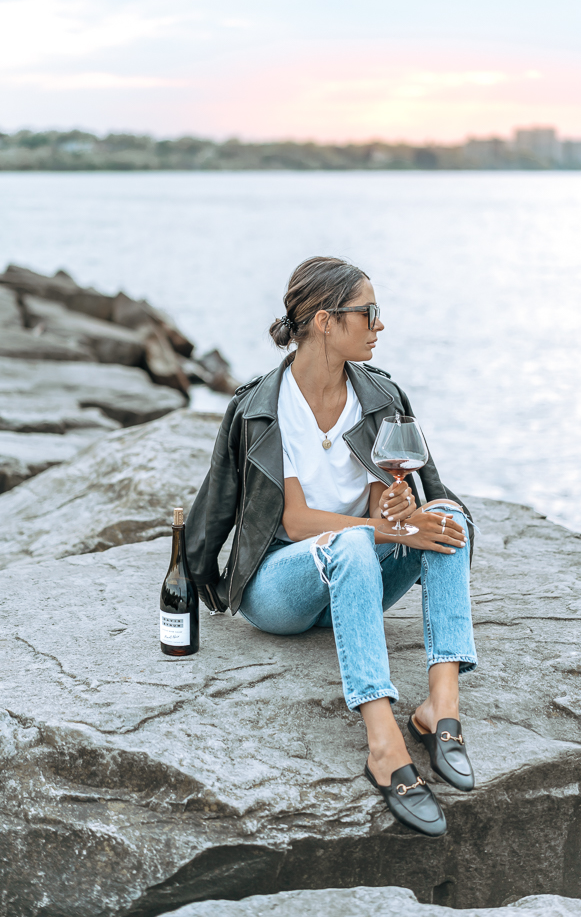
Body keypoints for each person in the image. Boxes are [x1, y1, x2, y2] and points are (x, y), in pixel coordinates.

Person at [186, 256, 477, 837]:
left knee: (446, 520)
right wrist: (200, 584)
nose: (379, 325)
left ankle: (440, 707)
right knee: (348, 544)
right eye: (367, 313)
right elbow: (292, 522)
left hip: (357, 575)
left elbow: (390, 508)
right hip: (281, 588)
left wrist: (402, 512)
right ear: (324, 321)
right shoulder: (262, 407)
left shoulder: (380, 395)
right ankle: (382, 740)